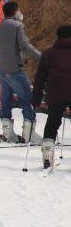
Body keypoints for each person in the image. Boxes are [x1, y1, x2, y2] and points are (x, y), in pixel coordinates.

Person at [0, 1, 42, 143]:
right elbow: (24, 45)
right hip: (16, 69)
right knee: (27, 100)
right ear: (15, 11)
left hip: (2, 70)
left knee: (5, 101)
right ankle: (29, 133)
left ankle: (8, 133)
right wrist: (41, 57)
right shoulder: (18, 26)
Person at [32, 25, 71, 169]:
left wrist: (36, 99)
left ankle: (47, 153)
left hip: (56, 93)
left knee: (52, 123)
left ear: (58, 37)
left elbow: (40, 79)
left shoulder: (48, 54)